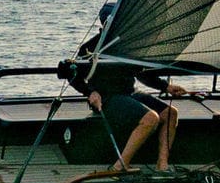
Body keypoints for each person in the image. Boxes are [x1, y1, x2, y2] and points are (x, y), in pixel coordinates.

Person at [67, 41, 188, 172]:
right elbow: (71, 73)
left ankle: (162, 164)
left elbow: (141, 73)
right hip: (107, 96)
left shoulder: (129, 43)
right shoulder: (91, 46)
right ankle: (119, 166)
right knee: (151, 118)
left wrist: (166, 87)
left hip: (130, 92)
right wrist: (89, 92)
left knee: (170, 113)